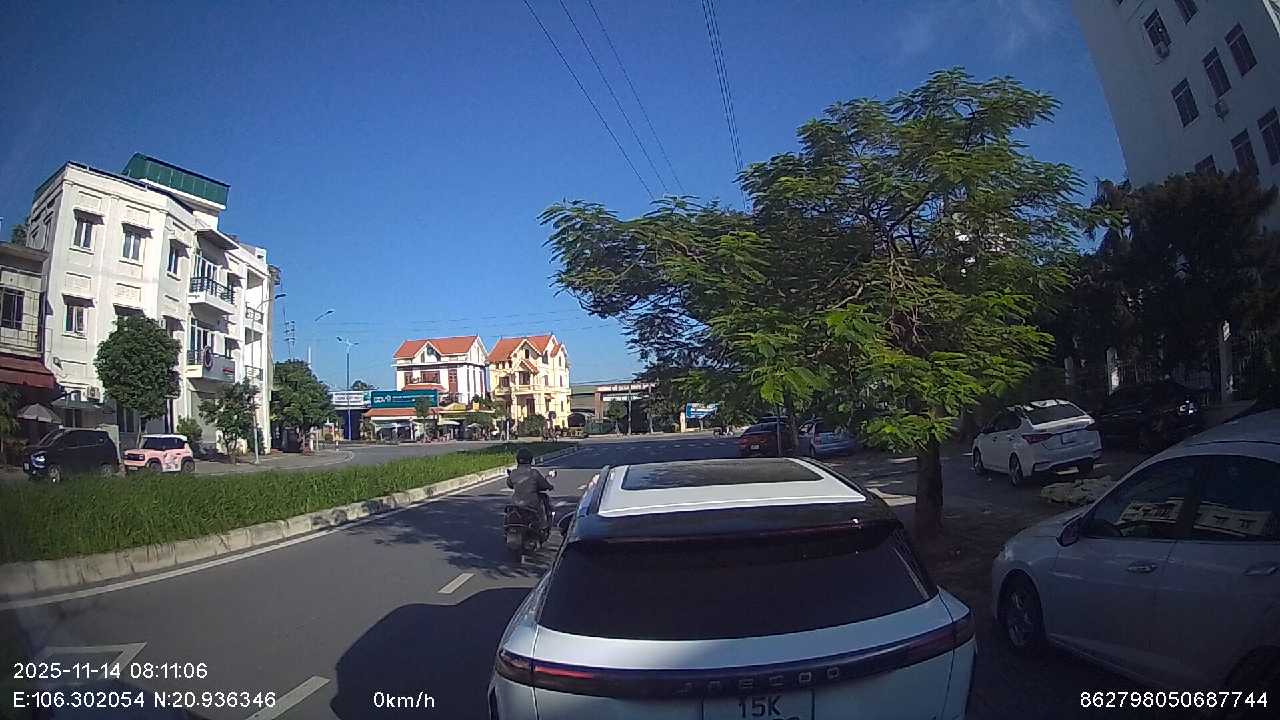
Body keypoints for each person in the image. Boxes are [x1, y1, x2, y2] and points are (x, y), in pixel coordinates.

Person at [506, 447, 554, 531]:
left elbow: (509, 484)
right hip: (531, 504)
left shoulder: (513, 473)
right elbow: (544, 484)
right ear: (530, 460)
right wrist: (550, 486)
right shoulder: (534, 473)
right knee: (542, 507)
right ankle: (543, 526)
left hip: (515, 504)